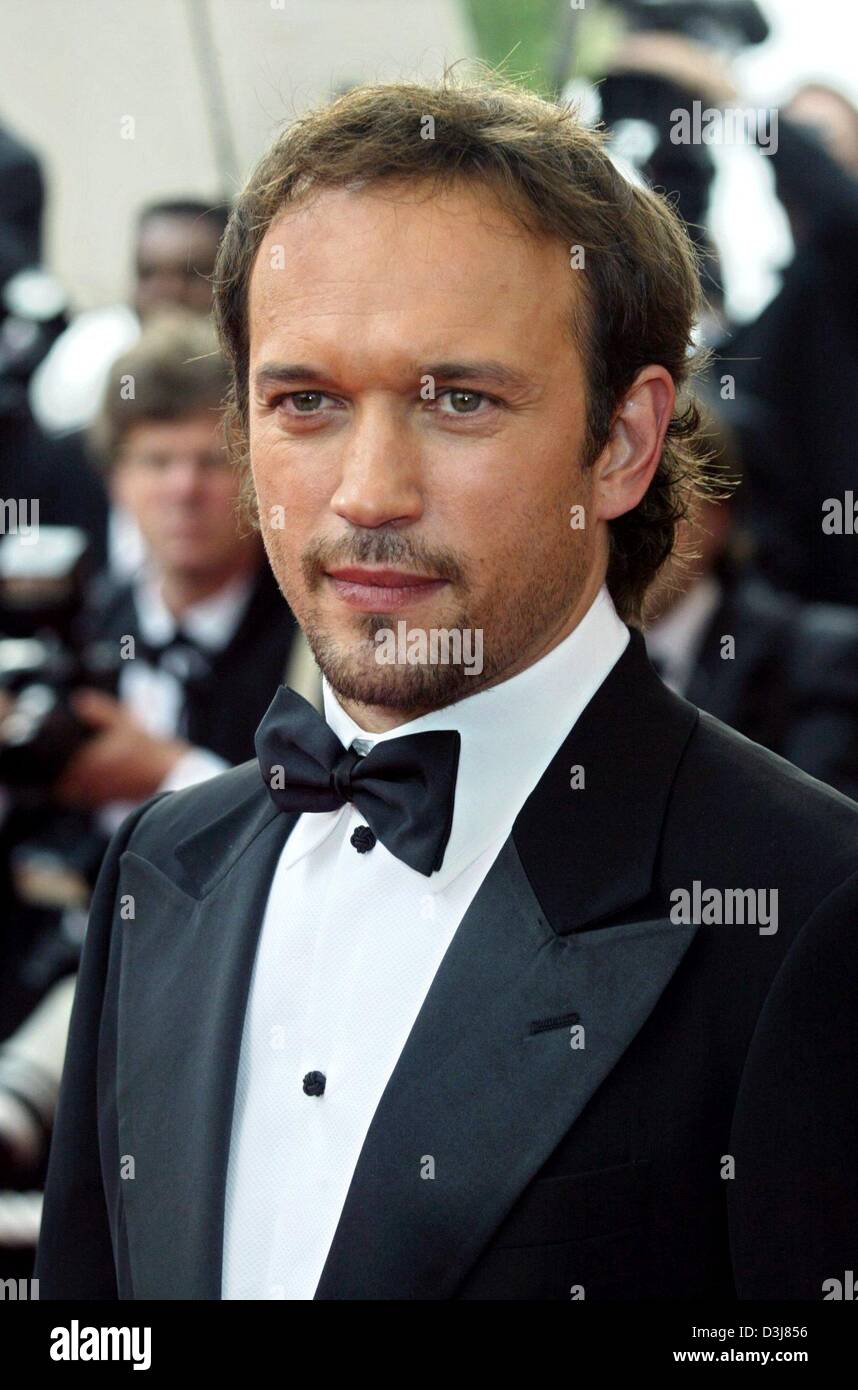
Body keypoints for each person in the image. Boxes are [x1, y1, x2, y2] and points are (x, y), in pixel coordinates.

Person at [35, 74, 858, 1302]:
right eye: (304, 401)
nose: (368, 491)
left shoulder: (812, 905)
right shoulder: (162, 866)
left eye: (459, 400)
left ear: (625, 442)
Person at [645, 412, 858, 801]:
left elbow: (819, 831)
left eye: (655, 505)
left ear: (717, 515)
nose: (629, 535)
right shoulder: (559, 664)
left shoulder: (816, 659)